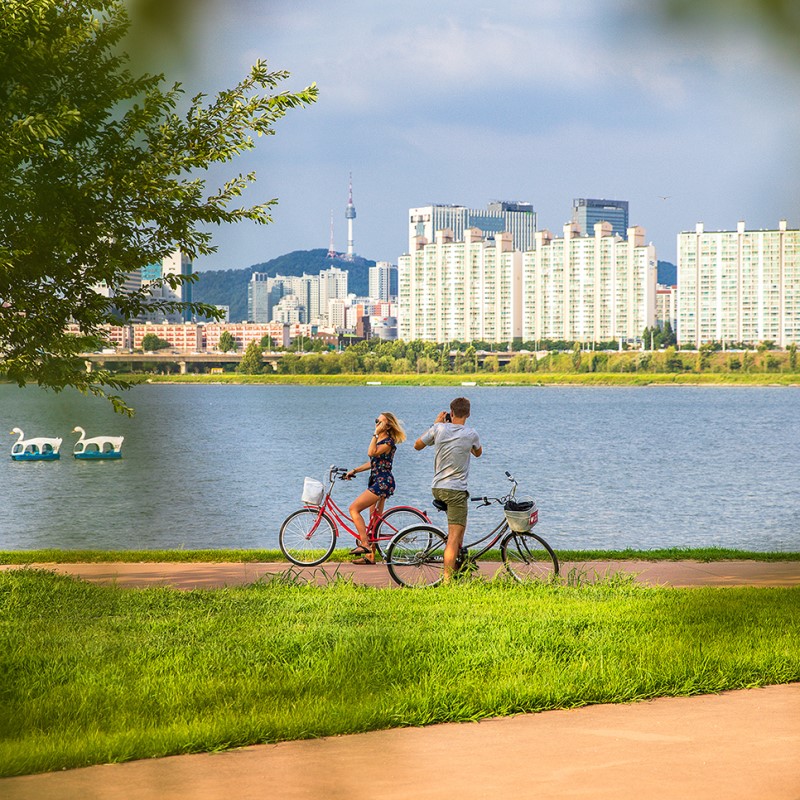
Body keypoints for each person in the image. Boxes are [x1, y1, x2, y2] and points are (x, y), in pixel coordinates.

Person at [414, 396, 482, 582]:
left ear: (450, 413)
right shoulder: (471, 434)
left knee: (459, 531)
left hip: (438, 487)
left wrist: (436, 424)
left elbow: (417, 445)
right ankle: (447, 580)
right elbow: (478, 453)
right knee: (454, 536)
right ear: (468, 414)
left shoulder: (438, 429)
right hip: (455, 491)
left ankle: (458, 565)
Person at [344, 412, 406, 564]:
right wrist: (355, 470)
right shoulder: (381, 440)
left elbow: (371, 452)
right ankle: (370, 557)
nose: (377, 423)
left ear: (388, 425)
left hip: (382, 482)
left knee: (354, 509)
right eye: (376, 420)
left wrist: (374, 434)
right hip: (376, 480)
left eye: (380, 421)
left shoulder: (389, 441)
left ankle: (364, 545)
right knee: (374, 520)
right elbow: (373, 461)